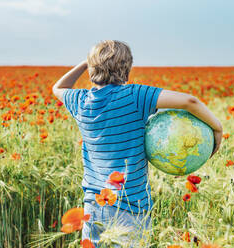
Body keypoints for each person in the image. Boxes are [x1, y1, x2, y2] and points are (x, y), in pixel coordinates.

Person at [52, 40, 223, 247]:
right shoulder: (134, 96)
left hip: (93, 207)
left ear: (91, 69)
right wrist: (217, 129)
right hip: (130, 207)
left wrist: (85, 63)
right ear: (126, 69)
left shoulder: (80, 100)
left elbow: (58, 87)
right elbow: (190, 102)